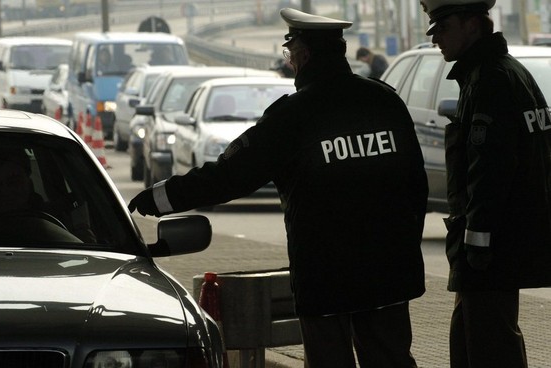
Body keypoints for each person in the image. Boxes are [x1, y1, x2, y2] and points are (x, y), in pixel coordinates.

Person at [129, 8, 428, 368]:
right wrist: (406, 244)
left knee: (329, 360)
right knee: (391, 358)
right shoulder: (385, 100)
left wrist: (162, 197)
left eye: (290, 55)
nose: (290, 64)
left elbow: (231, 175)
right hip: (390, 269)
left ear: (303, 54)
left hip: (327, 272)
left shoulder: (294, 115)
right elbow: (416, 183)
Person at [420, 1, 551, 367]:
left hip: (492, 247)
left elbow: (489, 169)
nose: (436, 40)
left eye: (444, 29)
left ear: (473, 26)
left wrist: (477, 241)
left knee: (490, 345)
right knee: (474, 338)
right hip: (504, 239)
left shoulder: (489, 79)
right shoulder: (510, 72)